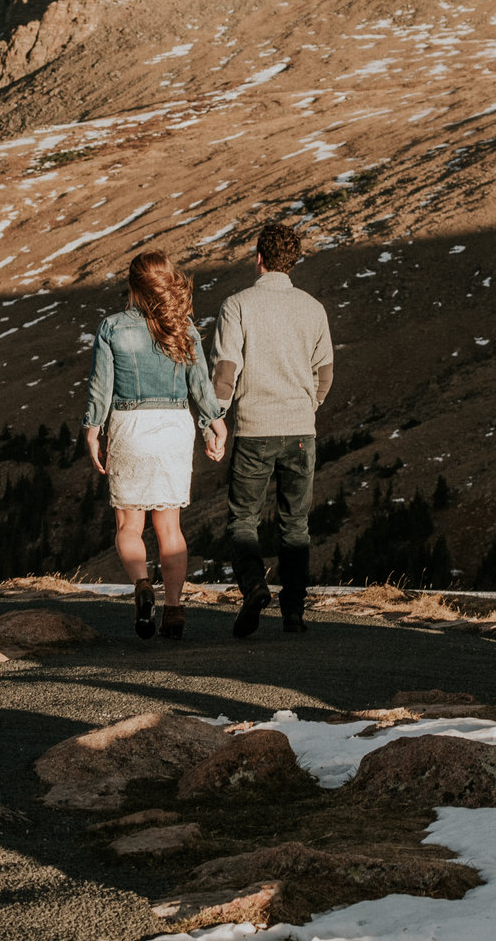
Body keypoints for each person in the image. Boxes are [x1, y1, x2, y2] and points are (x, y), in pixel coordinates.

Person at [82, 252, 227, 639]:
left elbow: (101, 387)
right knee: (170, 527)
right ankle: (175, 609)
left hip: (130, 424)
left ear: (132, 285)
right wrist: (216, 423)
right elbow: (201, 384)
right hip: (175, 426)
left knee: (130, 524)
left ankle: (143, 586)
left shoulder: (112, 327)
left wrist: (93, 429)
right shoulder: (184, 328)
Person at [209, 221, 334, 638]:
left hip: (254, 428)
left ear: (258, 258)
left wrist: (216, 419)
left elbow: (226, 372)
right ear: (291, 261)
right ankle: (294, 613)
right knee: (295, 525)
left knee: (243, 520)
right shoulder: (313, 308)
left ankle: (255, 587)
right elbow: (325, 374)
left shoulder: (237, 305)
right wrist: (307, 407)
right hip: (300, 429)